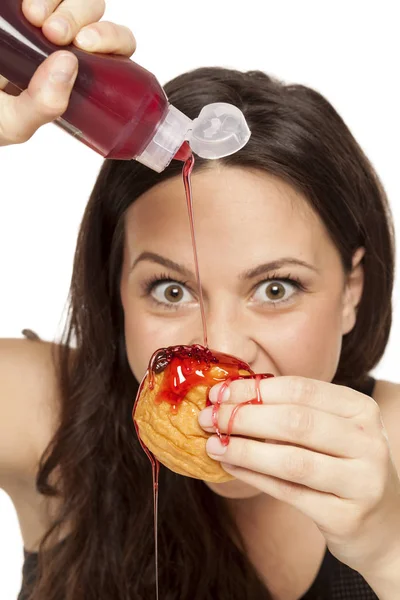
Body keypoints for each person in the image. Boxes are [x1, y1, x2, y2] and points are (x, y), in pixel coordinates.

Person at [1, 1, 400, 599]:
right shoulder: (42, 415)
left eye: (275, 288)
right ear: (115, 294)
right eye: (171, 289)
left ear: (351, 292)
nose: (219, 347)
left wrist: (391, 552)